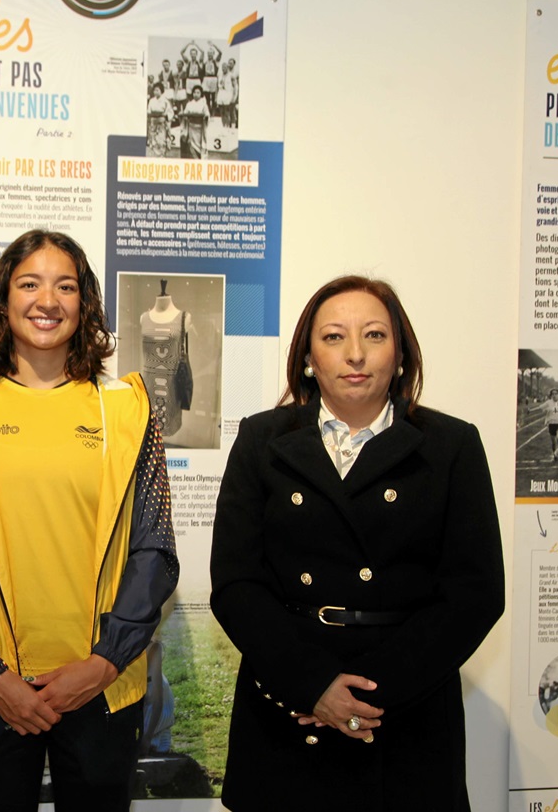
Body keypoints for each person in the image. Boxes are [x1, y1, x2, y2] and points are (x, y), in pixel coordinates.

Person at [210, 275, 504, 811]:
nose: (354, 354)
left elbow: (474, 593)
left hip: (405, 711)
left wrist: (366, 695)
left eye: (373, 335)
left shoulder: (452, 445)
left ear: (400, 354)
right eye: (333, 337)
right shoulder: (261, 439)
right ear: (307, 358)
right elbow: (236, 583)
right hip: (287, 708)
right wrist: (313, 686)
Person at [0, 229, 179, 811]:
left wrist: (105, 662)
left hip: (100, 686)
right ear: (3, 300)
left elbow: (153, 550)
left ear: (83, 303)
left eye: (65, 286)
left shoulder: (128, 410)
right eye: (28, 283)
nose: (46, 300)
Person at [181, 85, 209, 159]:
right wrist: (186, 116)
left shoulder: (204, 104)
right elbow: (185, 113)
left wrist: (205, 117)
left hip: (199, 128)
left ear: (201, 94)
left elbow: (207, 115)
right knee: (191, 145)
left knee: (199, 145)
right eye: (194, 92)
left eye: (198, 92)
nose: (196, 94)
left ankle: (199, 158)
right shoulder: (189, 104)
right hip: (191, 127)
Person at [146, 82, 172, 157]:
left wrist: (165, 116)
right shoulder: (151, 100)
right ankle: (155, 156)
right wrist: (151, 115)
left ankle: (162, 156)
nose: (155, 92)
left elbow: (170, 112)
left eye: (157, 90)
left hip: (161, 124)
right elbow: (149, 111)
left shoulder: (165, 101)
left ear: (161, 91)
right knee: (154, 142)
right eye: (154, 90)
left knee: (161, 141)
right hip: (153, 123)